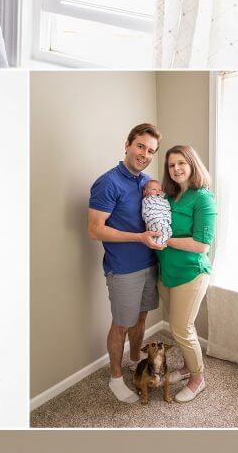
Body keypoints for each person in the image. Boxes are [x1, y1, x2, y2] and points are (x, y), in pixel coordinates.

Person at [88, 124, 162, 406]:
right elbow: (95, 229)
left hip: (149, 264)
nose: (145, 154)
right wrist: (139, 238)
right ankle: (116, 378)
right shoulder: (108, 182)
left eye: (151, 150)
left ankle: (133, 361)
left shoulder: (148, 183)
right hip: (123, 269)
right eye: (141, 146)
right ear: (128, 145)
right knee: (121, 325)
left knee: (141, 318)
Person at [157, 145, 217, 403]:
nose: (176, 169)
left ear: (192, 165)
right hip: (166, 272)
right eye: (171, 165)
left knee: (182, 328)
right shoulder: (169, 198)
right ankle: (185, 367)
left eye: (181, 163)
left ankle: (197, 378)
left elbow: (202, 244)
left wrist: (166, 240)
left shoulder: (203, 198)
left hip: (191, 273)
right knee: (176, 326)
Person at [141, 180, 172, 248]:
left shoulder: (162, 199)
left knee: (167, 230)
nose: (158, 192)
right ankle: (159, 242)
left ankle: (161, 241)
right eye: (154, 189)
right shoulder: (147, 200)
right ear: (145, 192)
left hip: (163, 218)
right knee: (158, 227)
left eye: (160, 190)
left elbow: (165, 206)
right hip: (154, 219)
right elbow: (147, 212)